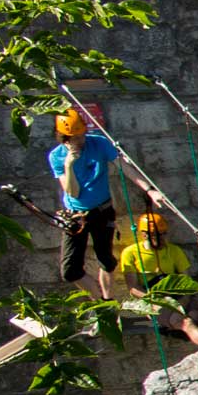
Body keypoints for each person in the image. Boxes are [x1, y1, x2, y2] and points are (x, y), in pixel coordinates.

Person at [46, 106, 157, 300]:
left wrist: (149, 189)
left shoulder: (99, 144)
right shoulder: (57, 157)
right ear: (64, 138)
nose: (81, 141)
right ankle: (99, 302)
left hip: (102, 210)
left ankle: (107, 302)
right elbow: (73, 192)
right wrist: (69, 165)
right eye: (75, 138)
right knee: (70, 270)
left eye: (82, 135)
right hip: (76, 216)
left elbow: (124, 167)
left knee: (106, 260)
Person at [115, 212, 198, 369]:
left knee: (196, 316)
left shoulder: (174, 251)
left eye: (163, 234)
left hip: (176, 295)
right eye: (157, 235)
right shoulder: (131, 253)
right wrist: (157, 302)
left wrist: (182, 301)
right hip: (154, 299)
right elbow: (133, 287)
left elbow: (185, 281)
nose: (162, 238)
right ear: (145, 234)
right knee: (185, 322)